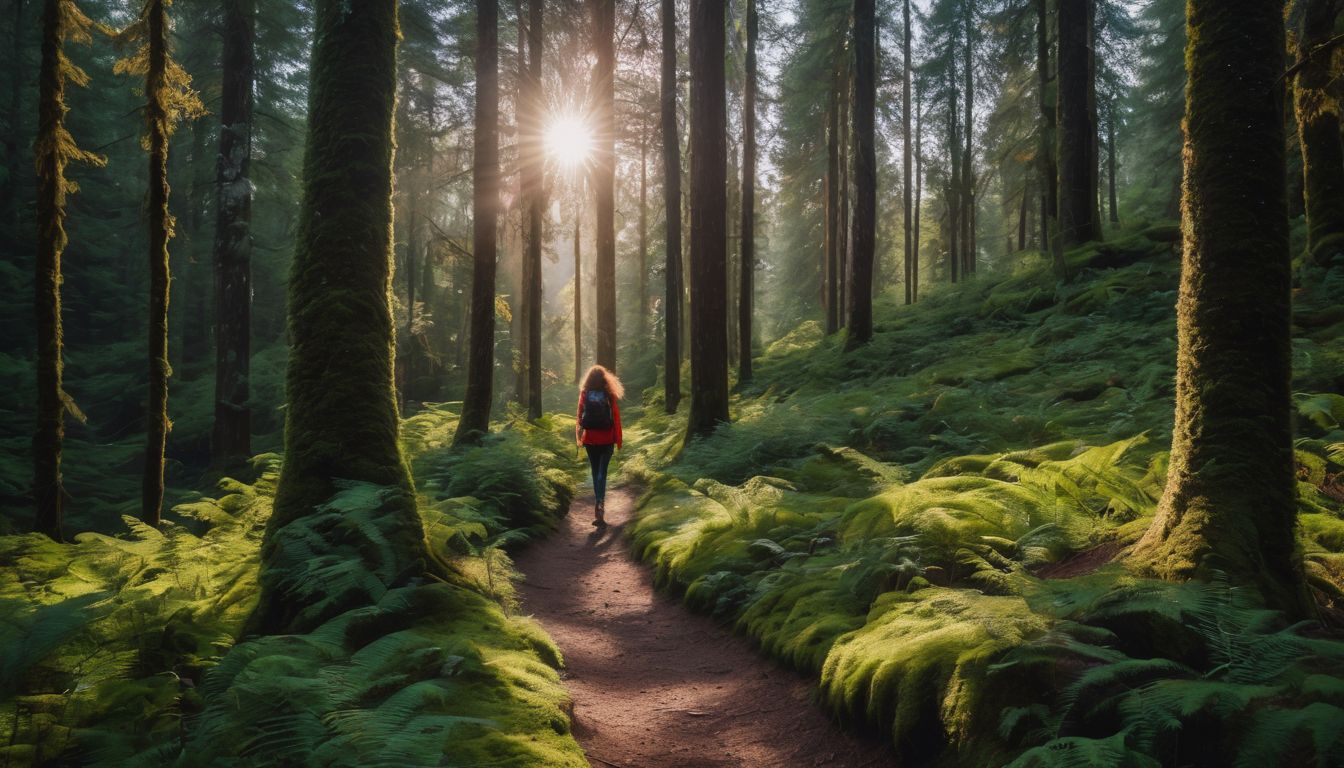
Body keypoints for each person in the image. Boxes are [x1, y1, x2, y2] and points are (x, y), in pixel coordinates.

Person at [576, 364, 623, 526]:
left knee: (595, 471)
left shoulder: (584, 393)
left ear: (589, 378)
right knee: (603, 472)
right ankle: (601, 503)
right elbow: (615, 417)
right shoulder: (609, 394)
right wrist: (618, 439)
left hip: (590, 439)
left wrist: (579, 437)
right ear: (604, 378)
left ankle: (598, 503)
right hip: (607, 438)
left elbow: (580, 416)